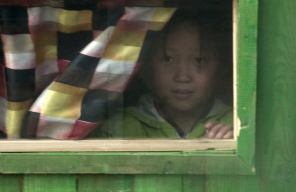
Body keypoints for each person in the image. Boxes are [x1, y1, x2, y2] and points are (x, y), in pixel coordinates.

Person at [96, 8, 233, 139]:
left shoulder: (238, 124)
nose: (182, 77)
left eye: (199, 60)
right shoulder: (119, 129)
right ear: (146, 66)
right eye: (168, 59)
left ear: (221, 68)